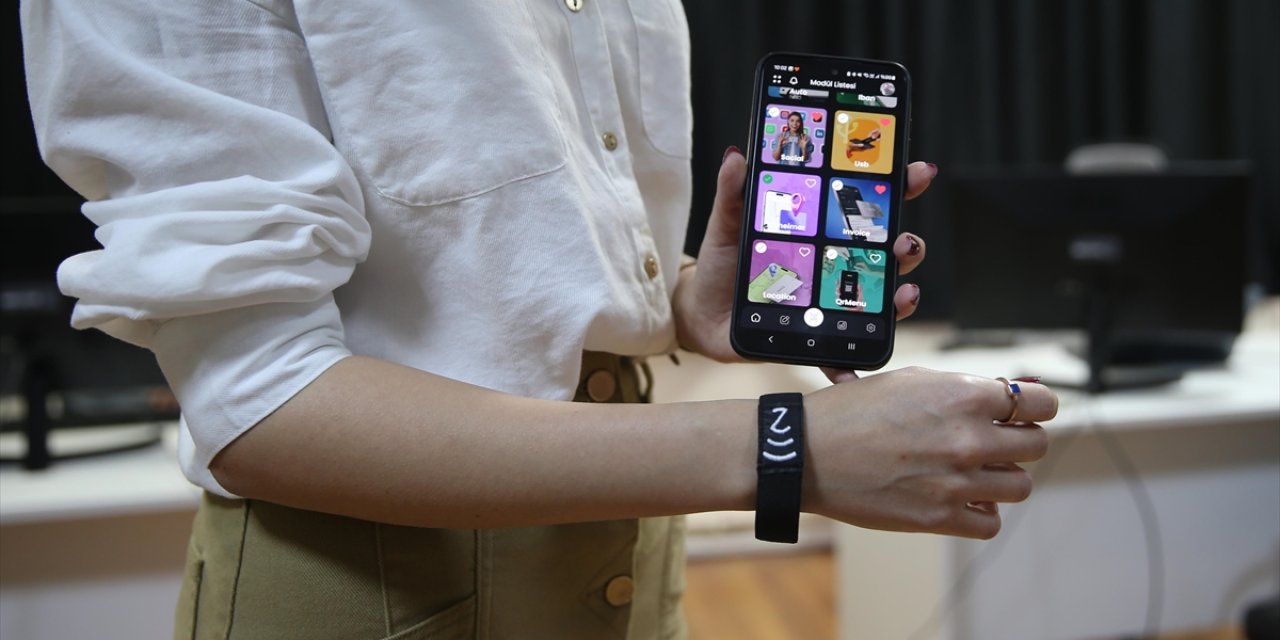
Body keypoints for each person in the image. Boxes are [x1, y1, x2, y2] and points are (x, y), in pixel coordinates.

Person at [21, 1, 1056, 639]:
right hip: (373, 584)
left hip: (625, 548)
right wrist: (789, 450)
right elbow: (260, 406)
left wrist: (673, 296)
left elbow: (495, 243)